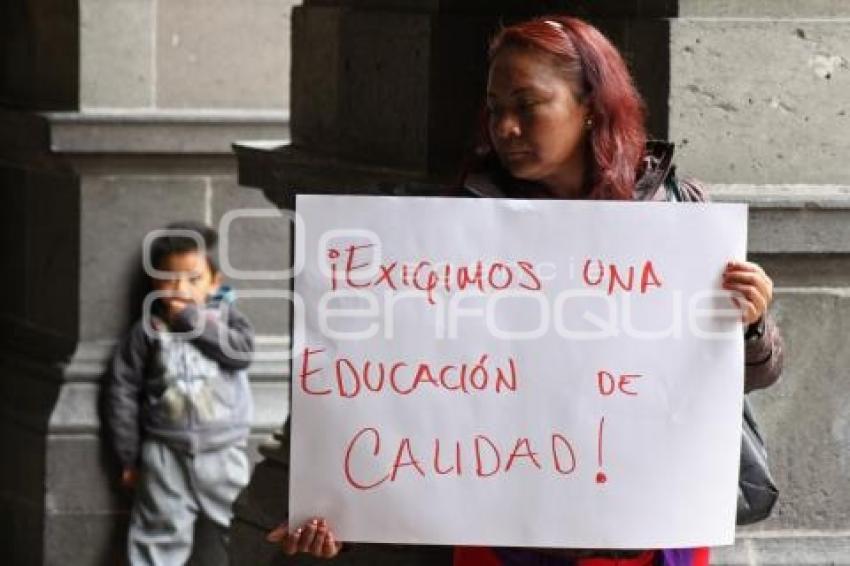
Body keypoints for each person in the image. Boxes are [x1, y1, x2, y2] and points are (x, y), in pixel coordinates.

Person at [267, 15, 784, 565]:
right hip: (507, 541)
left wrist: (750, 323)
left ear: (591, 106)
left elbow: (751, 376)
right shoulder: (455, 227)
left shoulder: (675, 211)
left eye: (527, 105)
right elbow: (394, 384)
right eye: (494, 109)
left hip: (645, 534)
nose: (505, 127)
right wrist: (343, 503)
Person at [106, 221, 255, 565]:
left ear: (214, 282)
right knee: (157, 537)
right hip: (164, 453)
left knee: (244, 529)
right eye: (170, 279)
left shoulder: (225, 318)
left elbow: (241, 353)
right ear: (156, 283)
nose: (181, 289)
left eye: (193, 279)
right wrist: (129, 456)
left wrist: (192, 320)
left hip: (223, 450)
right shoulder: (148, 330)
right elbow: (122, 390)